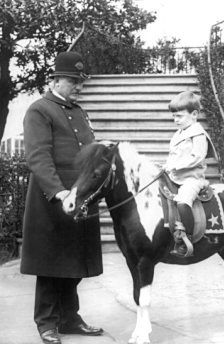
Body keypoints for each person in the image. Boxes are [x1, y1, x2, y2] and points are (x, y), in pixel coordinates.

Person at [20, 51, 104, 344]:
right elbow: (38, 157)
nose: (78, 87)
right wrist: (59, 192)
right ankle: (46, 322)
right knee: (50, 263)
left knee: (74, 260)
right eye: (72, 81)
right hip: (52, 198)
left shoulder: (79, 111)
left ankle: (70, 318)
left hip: (80, 197)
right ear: (56, 79)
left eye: (80, 82)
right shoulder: (40, 110)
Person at [162, 90, 215, 258]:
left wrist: (175, 166)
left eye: (179, 116)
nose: (175, 120)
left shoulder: (198, 134)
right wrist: (165, 166)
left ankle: (187, 238)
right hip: (175, 177)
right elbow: (172, 156)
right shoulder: (179, 133)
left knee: (183, 201)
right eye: (174, 117)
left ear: (194, 114)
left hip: (192, 179)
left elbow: (197, 156)